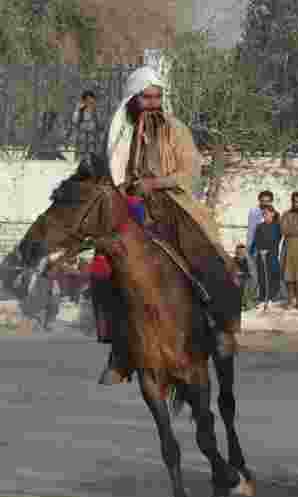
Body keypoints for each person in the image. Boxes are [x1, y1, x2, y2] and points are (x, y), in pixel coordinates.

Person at [100, 65, 241, 385]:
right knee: (105, 267)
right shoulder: (119, 134)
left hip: (174, 205)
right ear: (134, 100)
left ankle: (222, 328)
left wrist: (157, 184)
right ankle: (120, 351)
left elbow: (191, 171)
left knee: (207, 256)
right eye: (147, 97)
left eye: (157, 97)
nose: (153, 103)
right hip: (130, 209)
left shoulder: (175, 129)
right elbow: (110, 173)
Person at [250, 206, 281, 304]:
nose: (264, 215)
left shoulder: (277, 226)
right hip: (261, 255)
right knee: (262, 276)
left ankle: (272, 296)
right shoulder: (259, 226)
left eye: (266, 213)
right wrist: (254, 251)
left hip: (272, 255)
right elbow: (255, 240)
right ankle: (262, 297)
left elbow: (277, 240)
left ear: (272, 213)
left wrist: (269, 250)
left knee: (272, 275)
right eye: (263, 213)